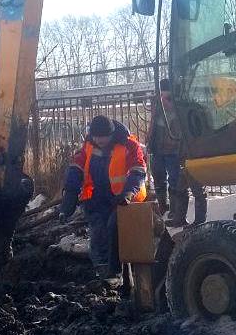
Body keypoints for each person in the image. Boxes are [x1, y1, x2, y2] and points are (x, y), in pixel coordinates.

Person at [58, 115, 147, 279]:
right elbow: (75, 169)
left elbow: (138, 171)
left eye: (103, 137)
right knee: (98, 234)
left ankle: (117, 272)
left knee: (114, 230)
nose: (100, 140)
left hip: (123, 201)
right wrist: (68, 201)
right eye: (96, 137)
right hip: (96, 199)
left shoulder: (129, 145)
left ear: (111, 134)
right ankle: (104, 272)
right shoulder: (88, 145)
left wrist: (128, 192)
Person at [148, 78, 207, 227]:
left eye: (166, 94)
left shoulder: (181, 103)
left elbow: (184, 125)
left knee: (189, 184)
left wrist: (169, 103)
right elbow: (153, 123)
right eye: (161, 94)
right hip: (159, 147)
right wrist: (149, 140)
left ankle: (195, 219)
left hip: (178, 149)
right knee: (172, 182)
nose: (163, 97)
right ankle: (174, 214)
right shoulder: (157, 103)